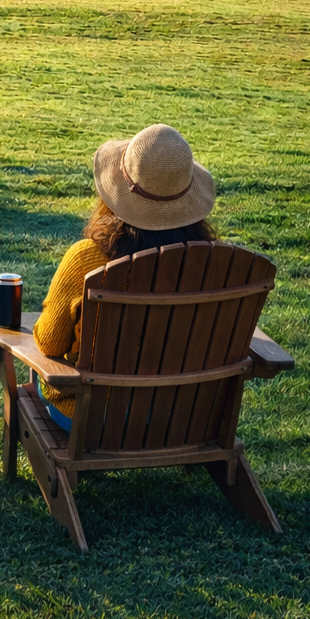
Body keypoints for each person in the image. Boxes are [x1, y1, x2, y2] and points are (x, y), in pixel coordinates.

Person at [33, 124, 217, 431]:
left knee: (39, 376)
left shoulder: (87, 259)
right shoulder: (213, 265)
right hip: (178, 419)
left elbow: (50, 344)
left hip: (95, 418)